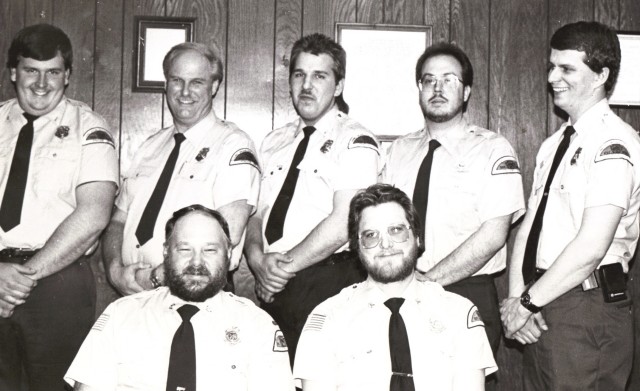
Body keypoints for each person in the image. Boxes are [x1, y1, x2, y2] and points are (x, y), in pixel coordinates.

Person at [500, 21, 640, 390]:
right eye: (551, 66)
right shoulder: (554, 143)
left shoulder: (613, 143)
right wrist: (518, 298)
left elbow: (592, 247)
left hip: (585, 306)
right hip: (545, 298)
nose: (552, 78)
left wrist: (525, 305)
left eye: (566, 68)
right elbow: (530, 225)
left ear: (600, 76)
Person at [244, 33, 381, 363]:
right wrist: (258, 260)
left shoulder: (355, 140)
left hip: (326, 279)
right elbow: (256, 214)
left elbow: (345, 221)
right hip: (271, 277)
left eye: (319, 76)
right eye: (299, 74)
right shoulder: (274, 141)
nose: (307, 85)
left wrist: (279, 270)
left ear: (338, 86)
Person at [383, 42, 525, 356]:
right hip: (398, 290)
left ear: (467, 91)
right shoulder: (399, 151)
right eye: (428, 80)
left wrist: (427, 283)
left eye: (449, 79)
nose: (437, 87)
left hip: (464, 291)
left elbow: (493, 235)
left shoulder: (492, 149)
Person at [0, 24, 118, 391]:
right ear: (13, 72)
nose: (41, 83)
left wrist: (22, 277)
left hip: (56, 282)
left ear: (67, 76)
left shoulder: (90, 128)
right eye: (31, 70)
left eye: (53, 72)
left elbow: (94, 214)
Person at [65, 204, 294, 390]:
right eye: (185, 249)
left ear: (229, 254)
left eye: (210, 250)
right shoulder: (121, 315)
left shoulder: (257, 325)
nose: (197, 263)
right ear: (166, 251)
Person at [293, 184, 497, 390]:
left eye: (396, 230)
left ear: (417, 238)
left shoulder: (459, 313)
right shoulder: (328, 318)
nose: (385, 244)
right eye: (371, 235)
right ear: (357, 246)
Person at [103, 42, 260, 296]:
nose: (185, 92)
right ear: (166, 84)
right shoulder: (150, 147)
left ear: (215, 86)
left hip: (196, 295)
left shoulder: (233, 146)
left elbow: (225, 239)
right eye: (177, 80)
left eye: (197, 82)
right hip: (132, 294)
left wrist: (154, 278)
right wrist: (115, 271)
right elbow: (118, 221)